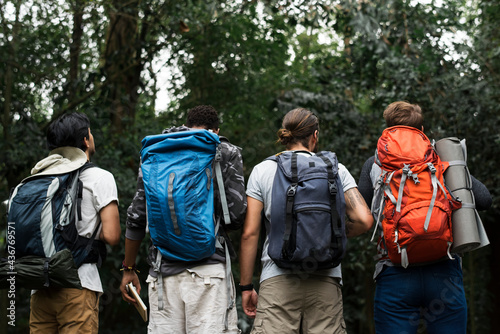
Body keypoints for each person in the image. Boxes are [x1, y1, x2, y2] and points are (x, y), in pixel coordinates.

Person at [357, 101, 492, 334]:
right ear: (422, 129)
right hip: (444, 273)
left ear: (388, 128)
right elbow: (484, 199)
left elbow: (359, 216)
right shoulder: (441, 159)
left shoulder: (375, 164)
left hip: (395, 273)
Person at [239, 107, 374, 334]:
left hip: (277, 279)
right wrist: (331, 232)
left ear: (286, 135)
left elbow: (250, 233)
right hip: (326, 280)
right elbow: (364, 220)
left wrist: (246, 287)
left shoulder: (263, 170)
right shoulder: (336, 170)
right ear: (315, 136)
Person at [120, 105, 246, 333]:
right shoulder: (225, 151)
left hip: (163, 272)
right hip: (209, 273)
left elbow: (136, 215)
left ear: (187, 126)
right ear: (216, 130)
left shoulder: (157, 151)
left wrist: (128, 268)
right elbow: (235, 216)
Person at [29, 112, 121, 333]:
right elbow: (112, 235)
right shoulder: (100, 177)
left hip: (39, 284)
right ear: (86, 141)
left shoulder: (39, 178)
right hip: (79, 284)